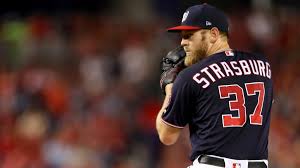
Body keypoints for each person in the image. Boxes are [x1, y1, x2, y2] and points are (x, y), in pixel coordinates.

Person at [156, 3, 273, 168]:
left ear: (213, 34)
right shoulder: (263, 67)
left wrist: (170, 87)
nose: (183, 42)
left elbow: (166, 136)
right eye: (182, 36)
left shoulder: (191, 76)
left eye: (190, 35)